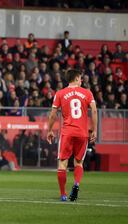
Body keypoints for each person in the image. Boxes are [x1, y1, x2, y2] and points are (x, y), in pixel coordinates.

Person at [47, 69, 97, 202]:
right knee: (78, 162)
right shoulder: (87, 93)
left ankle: (63, 195)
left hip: (67, 132)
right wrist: (94, 129)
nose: (81, 81)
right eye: (80, 78)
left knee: (62, 163)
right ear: (76, 78)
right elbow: (94, 111)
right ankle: (76, 184)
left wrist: (49, 130)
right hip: (82, 133)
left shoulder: (60, 93)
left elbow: (53, 114)